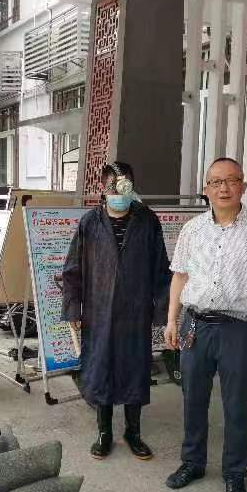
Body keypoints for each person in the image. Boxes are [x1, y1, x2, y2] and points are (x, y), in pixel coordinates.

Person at [164, 157, 247, 492]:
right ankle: (193, 462)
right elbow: (180, 276)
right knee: (193, 398)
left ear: (243, 186)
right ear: (206, 188)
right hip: (195, 324)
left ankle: (235, 473)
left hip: (238, 328)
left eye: (231, 180)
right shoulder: (192, 230)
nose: (224, 188)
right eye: (216, 181)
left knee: (236, 405)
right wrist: (171, 321)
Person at [62, 162, 171, 460]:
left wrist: (163, 312)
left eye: (125, 187)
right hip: (98, 311)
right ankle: (105, 431)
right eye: (113, 187)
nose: (119, 194)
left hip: (136, 311)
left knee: (135, 369)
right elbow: (72, 270)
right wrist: (73, 308)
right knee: (102, 369)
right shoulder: (90, 223)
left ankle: (133, 432)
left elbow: (161, 269)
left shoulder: (147, 220)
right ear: (103, 188)